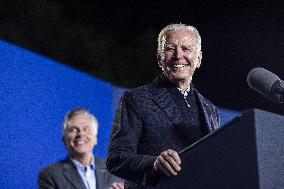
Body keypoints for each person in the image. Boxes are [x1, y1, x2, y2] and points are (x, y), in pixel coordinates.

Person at [106, 23, 220, 189]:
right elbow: (116, 159)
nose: (178, 55)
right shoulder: (136, 99)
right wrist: (154, 164)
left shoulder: (211, 110)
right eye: (170, 48)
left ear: (199, 59)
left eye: (186, 48)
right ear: (160, 58)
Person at [38, 108, 124, 189]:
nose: (81, 134)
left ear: (95, 139)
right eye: (74, 130)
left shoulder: (114, 169)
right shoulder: (50, 175)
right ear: (64, 139)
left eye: (86, 129)